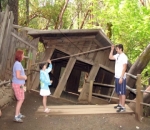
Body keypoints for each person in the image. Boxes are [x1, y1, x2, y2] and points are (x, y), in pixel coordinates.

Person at [109, 44, 128, 112]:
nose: (116, 50)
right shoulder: (117, 55)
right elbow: (110, 57)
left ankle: (123, 107)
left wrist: (121, 77)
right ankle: (120, 104)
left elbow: (124, 67)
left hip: (121, 77)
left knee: (122, 92)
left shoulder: (124, 57)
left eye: (117, 49)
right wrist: (112, 49)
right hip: (116, 76)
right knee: (119, 92)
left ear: (120, 49)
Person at [12, 50, 27, 122]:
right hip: (17, 84)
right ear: (19, 56)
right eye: (23, 55)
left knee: (22, 98)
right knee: (20, 99)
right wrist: (24, 77)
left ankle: (19, 113)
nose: (23, 56)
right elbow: (18, 76)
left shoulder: (18, 63)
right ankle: (16, 116)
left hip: (20, 84)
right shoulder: (17, 64)